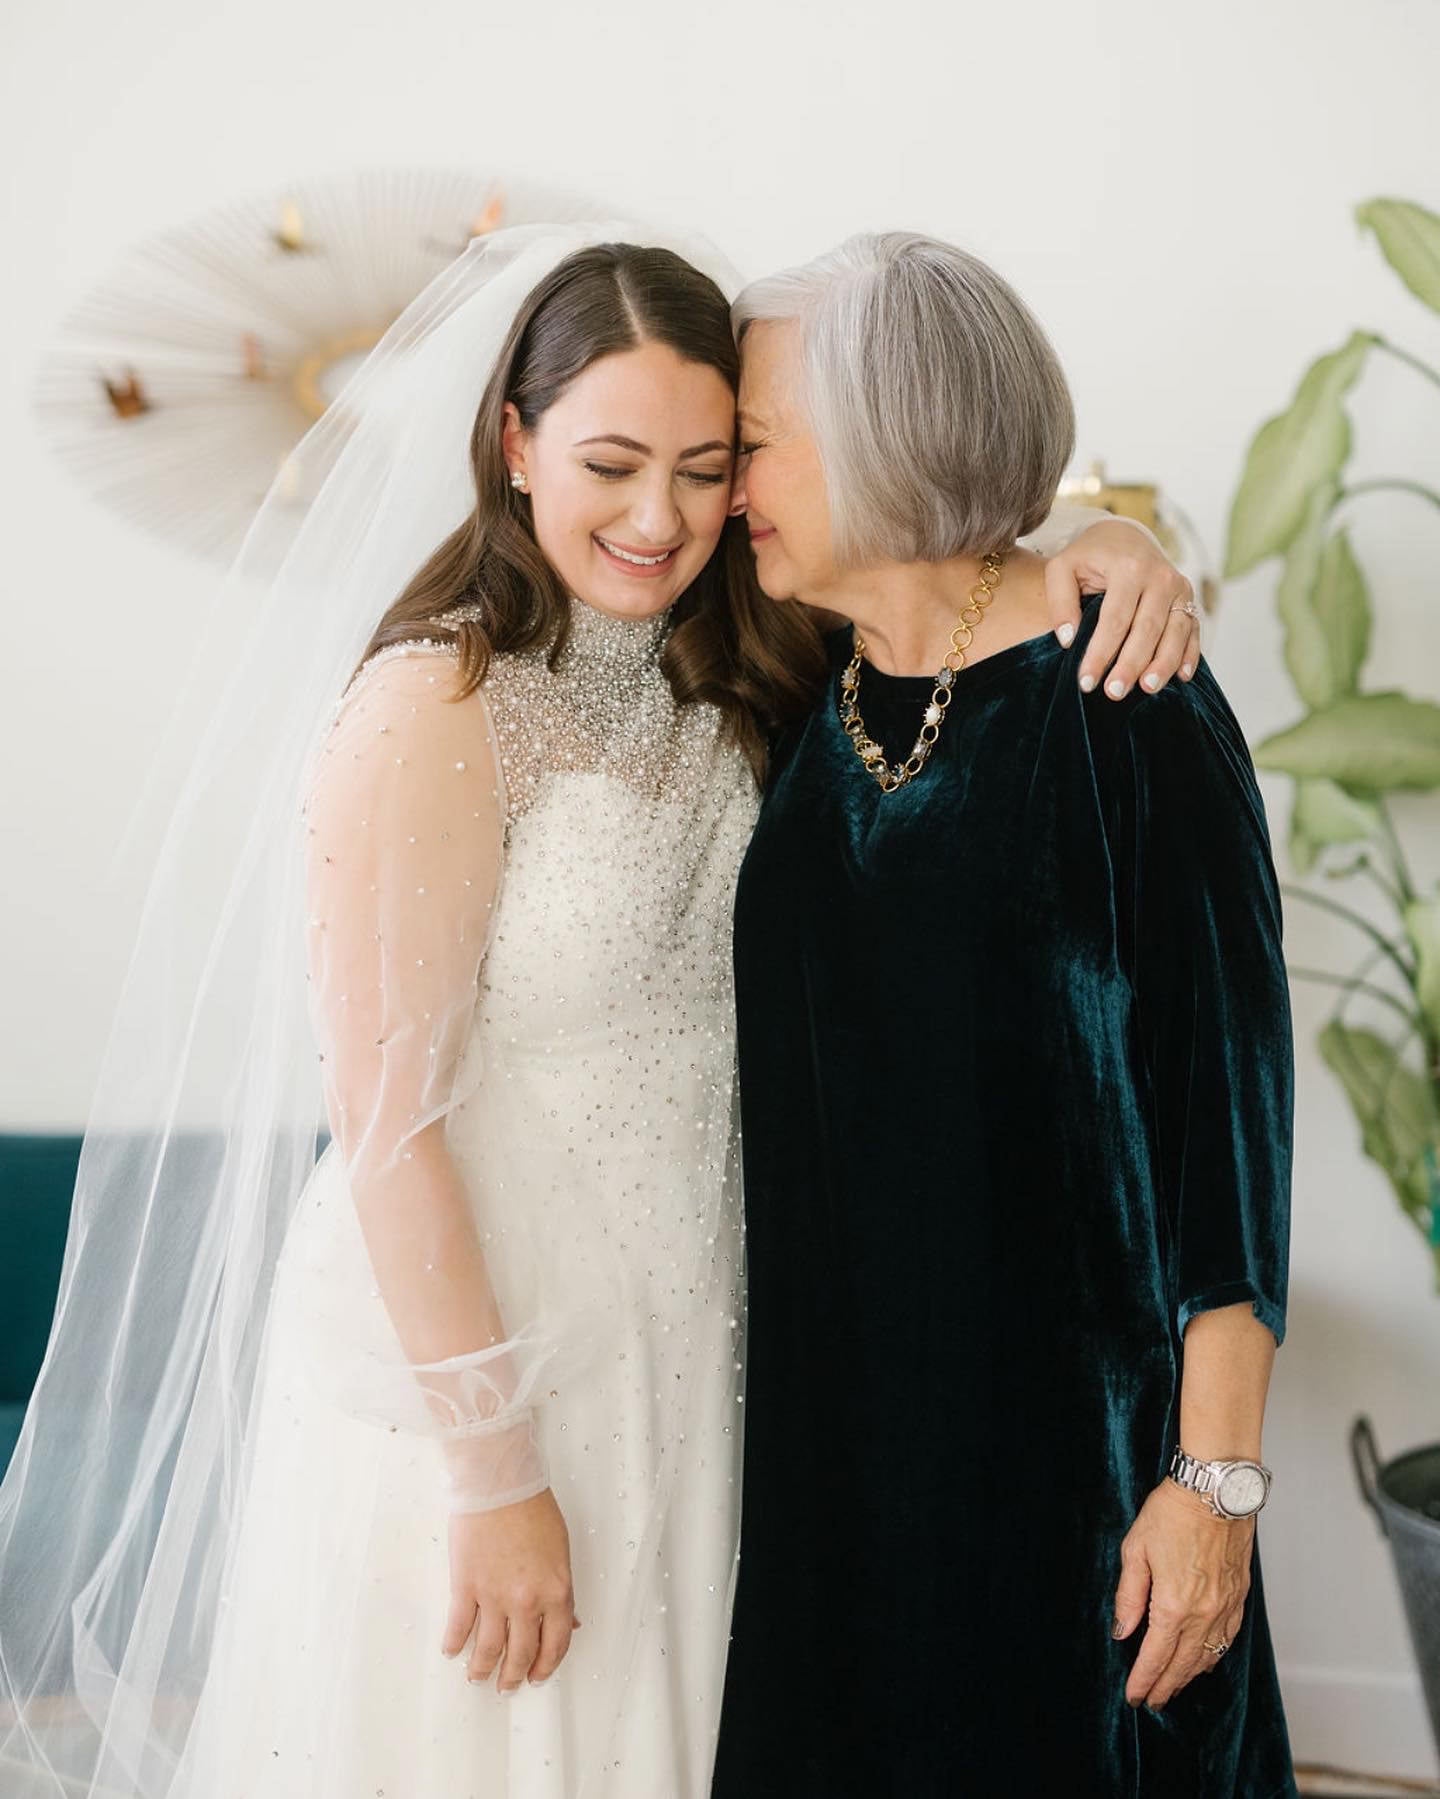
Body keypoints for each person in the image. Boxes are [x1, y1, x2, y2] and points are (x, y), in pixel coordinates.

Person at [0, 223, 1191, 1799]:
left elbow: (933, 539)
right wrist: (493, 1476)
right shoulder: (430, 706)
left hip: (704, 1336)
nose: (663, 517)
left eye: (713, 465)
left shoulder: (752, 653)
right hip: (485, 1365)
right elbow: (387, 1134)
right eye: (614, 462)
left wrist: (1100, 539)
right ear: (513, 442)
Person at [711, 232, 1296, 1799]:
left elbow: (1227, 1123)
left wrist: (1213, 1487)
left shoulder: (1127, 706)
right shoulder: (810, 691)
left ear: (885, 426)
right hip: (839, 1473)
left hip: (1073, 1499)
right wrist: (1105, 521)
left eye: (755, 443)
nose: (725, 484)